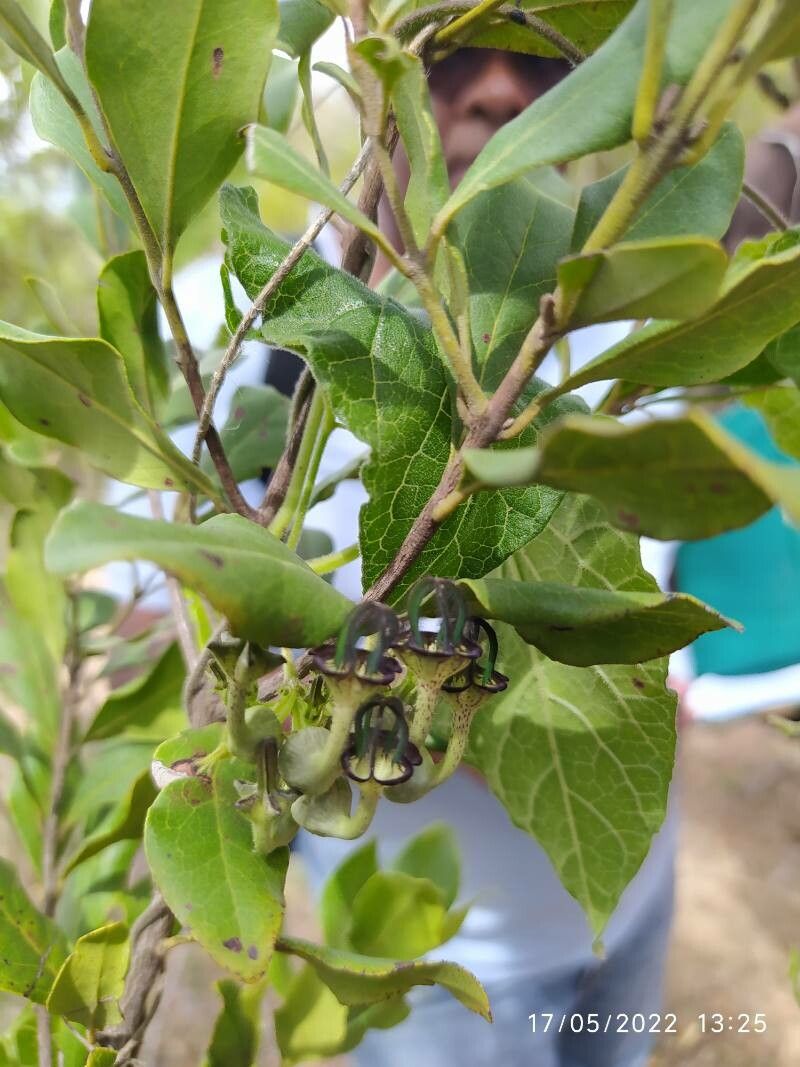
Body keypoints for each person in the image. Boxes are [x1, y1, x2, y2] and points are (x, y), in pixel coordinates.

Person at [271, 50, 800, 1067]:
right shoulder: (279, 344)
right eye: (455, 54)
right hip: (433, 971)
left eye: (548, 55)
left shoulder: (624, 323)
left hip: (632, 898)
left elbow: (765, 207)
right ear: (382, 74)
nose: (498, 87)